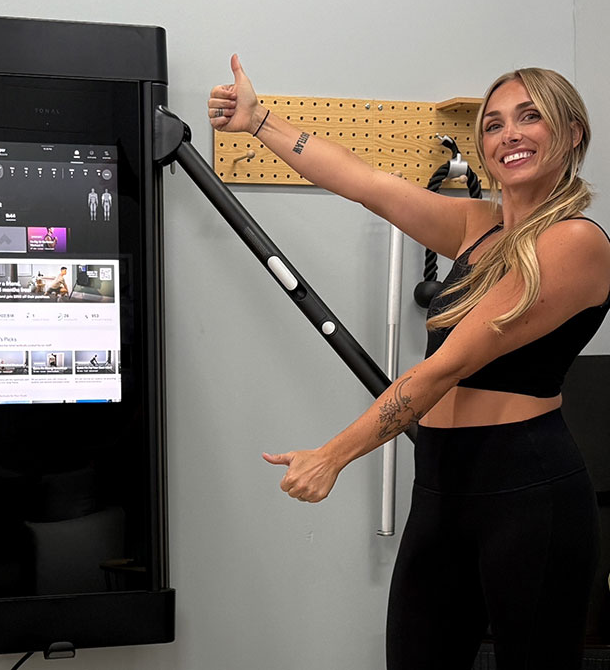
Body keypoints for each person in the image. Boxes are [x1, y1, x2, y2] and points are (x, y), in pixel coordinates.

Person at [209, 55, 610, 669]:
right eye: (495, 124)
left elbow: (445, 368)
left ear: (572, 132)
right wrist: (259, 120)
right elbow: (364, 182)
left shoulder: (575, 243)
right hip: (442, 482)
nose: (510, 135)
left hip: (528, 491)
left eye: (531, 118)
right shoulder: (480, 227)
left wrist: (333, 454)